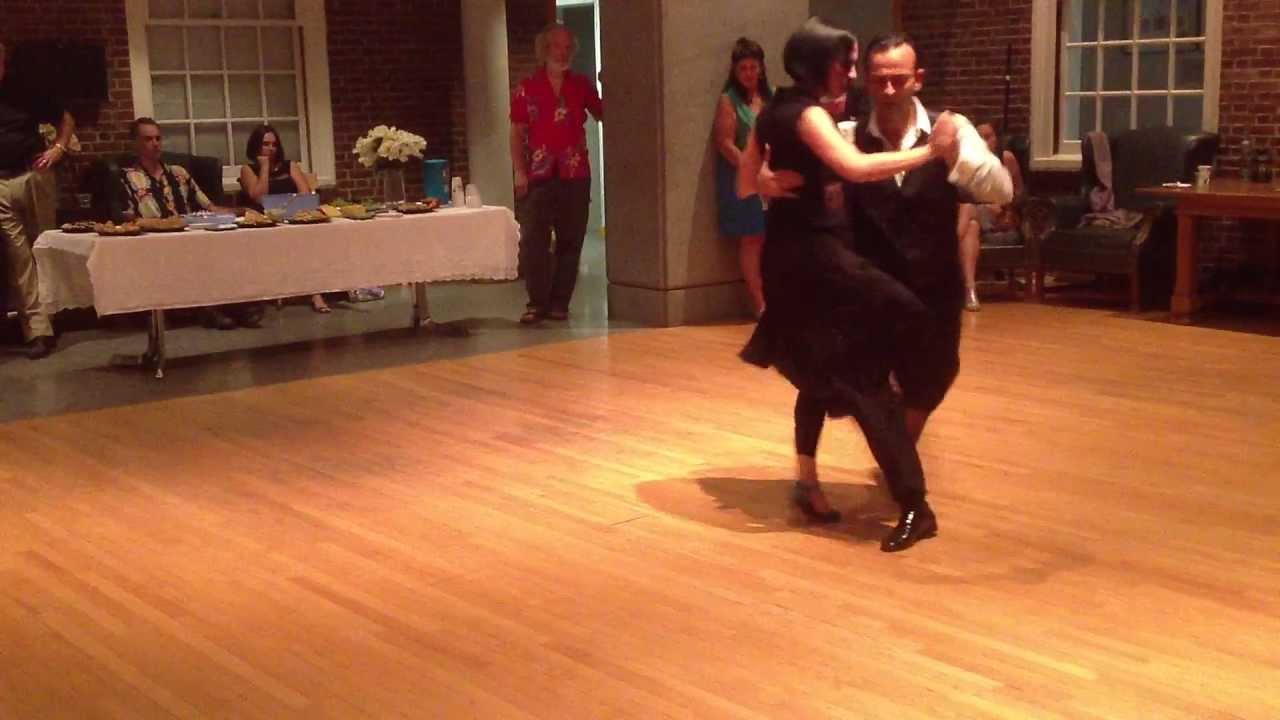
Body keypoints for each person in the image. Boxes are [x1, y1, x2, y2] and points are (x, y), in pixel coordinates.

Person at [736, 18, 962, 552]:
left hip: (800, 265)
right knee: (873, 376)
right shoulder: (809, 113)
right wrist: (933, 151)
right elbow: (856, 169)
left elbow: (747, 181)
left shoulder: (776, 110)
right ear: (821, 64)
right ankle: (914, 505)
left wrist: (767, 181)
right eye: (848, 63)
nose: (854, 74)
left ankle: (810, 483)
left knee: (822, 379)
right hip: (819, 266)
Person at [119, 117, 260, 330]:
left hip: (189, 234)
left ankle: (238, 305)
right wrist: (163, 224)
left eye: (158, 138)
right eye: (148, 139)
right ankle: (209, 310)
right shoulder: (127, 177)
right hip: (154, 240)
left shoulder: (179, 173)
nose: (155, 143)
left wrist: (242, 211)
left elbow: (210, 207)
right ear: (135, 143)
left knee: (225, 245)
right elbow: (128, 219)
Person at [510, 22, 603, 324]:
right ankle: (537, 302)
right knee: (533, 240)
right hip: (539, 173)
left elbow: (604, 113)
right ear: (544, 49)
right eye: (556, 47)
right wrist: (519, 172)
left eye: (567, 48)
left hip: (575, 173)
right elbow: (516, 132)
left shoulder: (581, 85)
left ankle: (560, 303)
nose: (562, 53)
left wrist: (610, 84)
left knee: (570, 240)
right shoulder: (529, 87)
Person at [0, 40, 73, 359]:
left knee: (42, 247)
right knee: (18, 259)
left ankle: (51, 318)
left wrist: (58, 148)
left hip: (33, 174)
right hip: (0, 182)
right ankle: (37, 331)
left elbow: (66, 118)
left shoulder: (24, 88)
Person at [238, 124, 330, 314]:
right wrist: (264, 168)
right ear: (256, 146)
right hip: (264, 221)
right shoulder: (248, 170)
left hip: (293, 216)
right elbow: (258, 196)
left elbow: (305, 194)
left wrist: (292, 209)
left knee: (308, 239)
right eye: (265, 144)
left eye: (274, 144)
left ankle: (316, 293)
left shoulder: (290, 166)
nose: (271, 149)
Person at [713, 37, 771, 317]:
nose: (749, 73)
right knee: (751, 238)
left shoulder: (770, 98)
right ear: (735, 72)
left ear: (761, 68)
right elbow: (725, 143)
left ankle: (777, 298)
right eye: (743, 68)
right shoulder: (729, 100)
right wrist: (751, 169)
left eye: (753, 67)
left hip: (770, 178)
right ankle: (759, 303)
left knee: (773, 237)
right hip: (743, 179)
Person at [956, 121, 1025, 311]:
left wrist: (1005, 204)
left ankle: (948, 246)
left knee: (967, 210)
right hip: (975, 215)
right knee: (971, 225)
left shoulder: (1006, 158)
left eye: (988, 136)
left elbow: (1019, 191)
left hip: (1000, 216)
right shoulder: (965, 161)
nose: (984, 141)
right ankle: (970, 290)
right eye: (979, 137)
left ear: (997, 138)